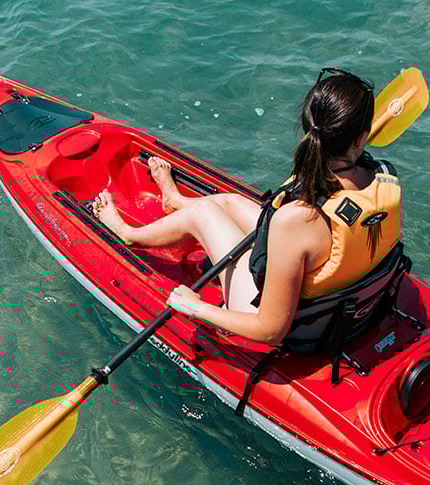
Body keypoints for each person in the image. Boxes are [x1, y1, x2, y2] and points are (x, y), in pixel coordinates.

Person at [92, 68, 401, 346]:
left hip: (299, 324)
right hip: (343, 287)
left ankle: (128, 233)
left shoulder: (297, 220)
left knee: (206, 214)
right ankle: (177, 203)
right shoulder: (381, 177)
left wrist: (195, 307)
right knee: (230, 202)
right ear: (360, 139)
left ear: (310, 130)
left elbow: (270, 330)